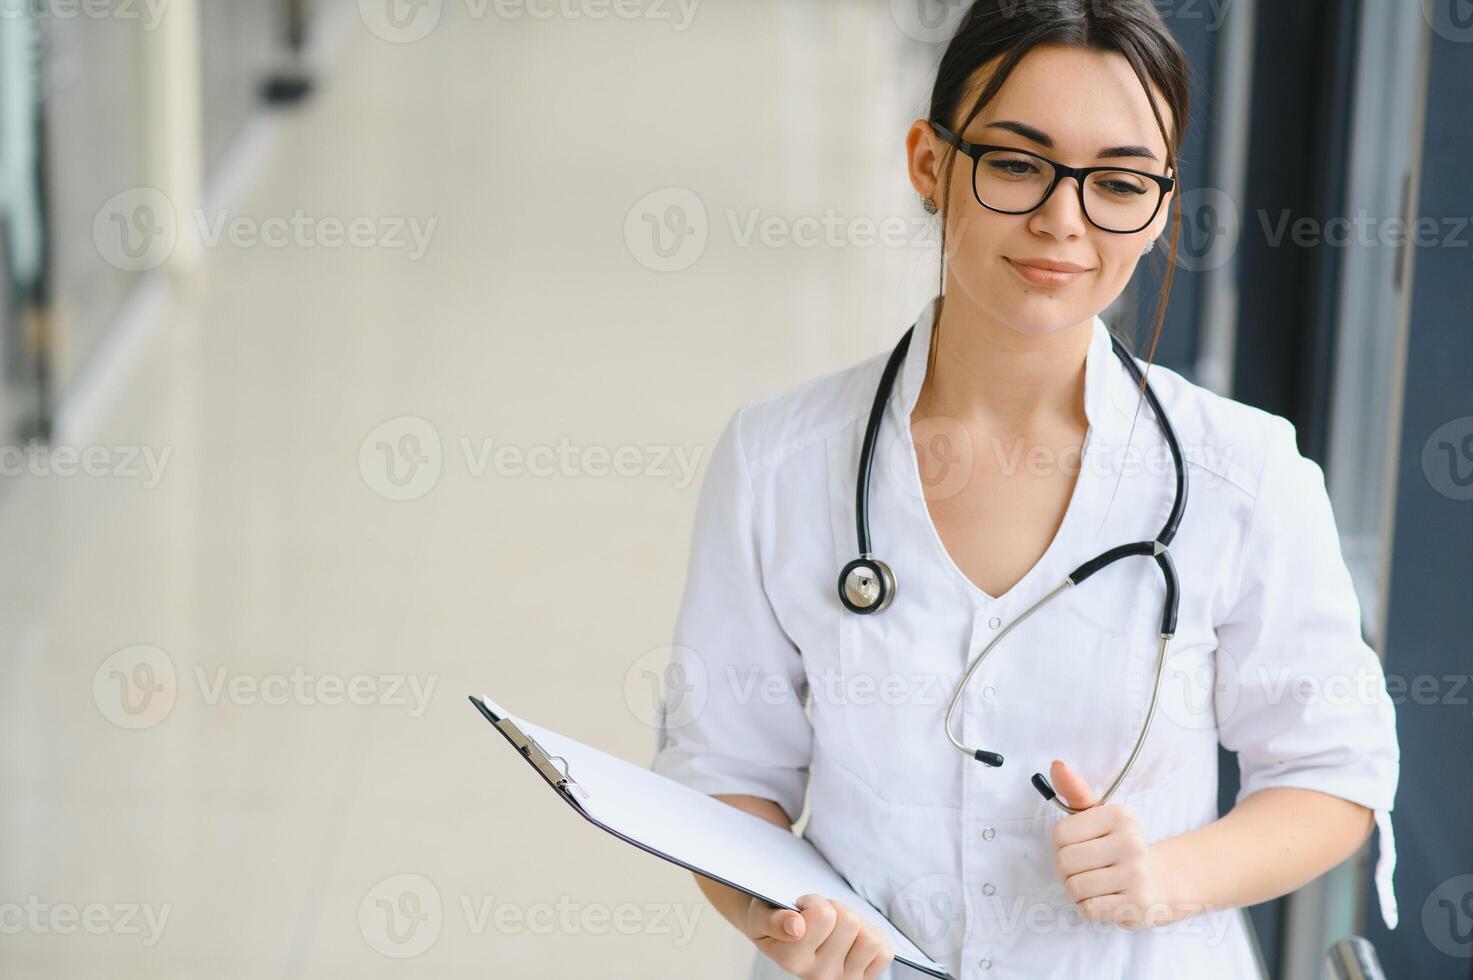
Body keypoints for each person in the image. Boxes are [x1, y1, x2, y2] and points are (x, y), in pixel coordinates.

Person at [650, 2, 1399, 977]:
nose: (1063, 219)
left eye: (1119, 182)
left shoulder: (1244, 474)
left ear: (1163, 204)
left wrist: (1169, 875)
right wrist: (783, 913)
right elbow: (723, 772)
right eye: (1016, 163)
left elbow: (1332, 770)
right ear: (930, 162)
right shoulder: (778, 460)